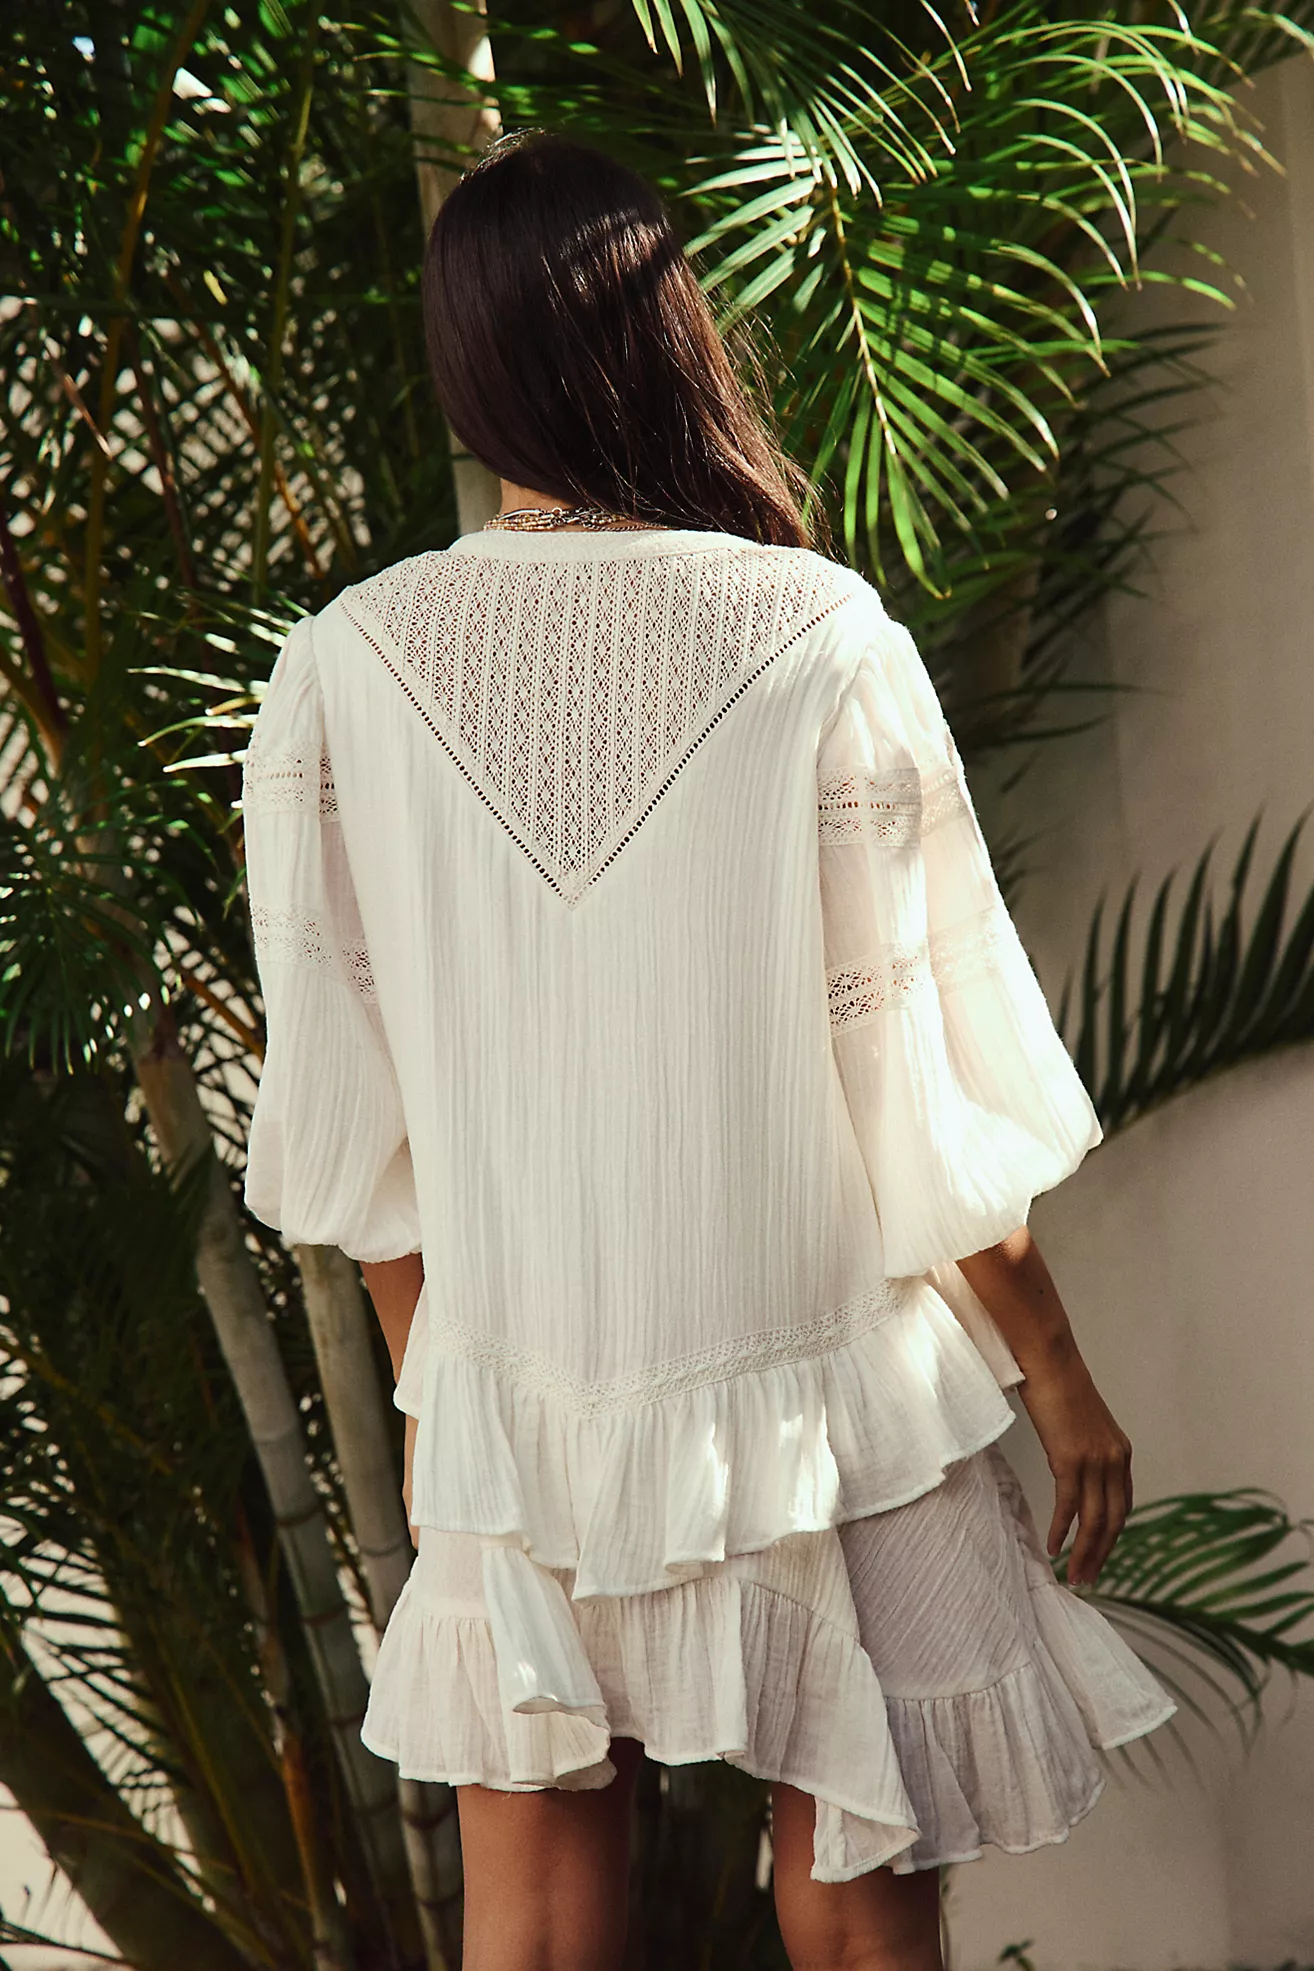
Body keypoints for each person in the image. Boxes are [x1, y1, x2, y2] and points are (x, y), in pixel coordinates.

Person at [241, 130, 1173, 1971]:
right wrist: (1056, 1374)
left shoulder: (342, 669)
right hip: (831, 1384)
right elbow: (910, 1079)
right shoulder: (814, 634)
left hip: (516, 1397)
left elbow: (355, 1132)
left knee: (533, 1927)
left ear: (461, 357)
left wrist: (451, 1420)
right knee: (860, 1904)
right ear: (673, 334)